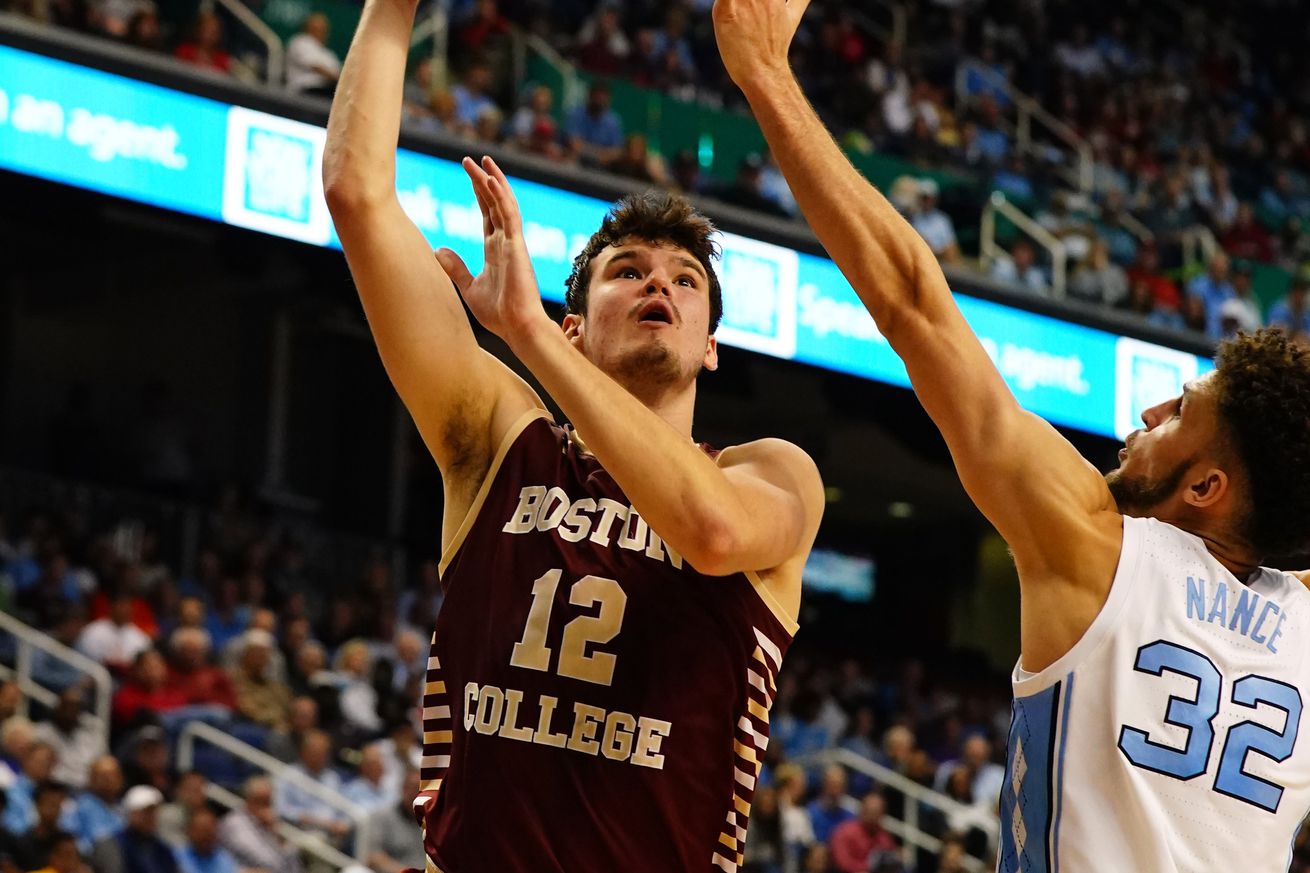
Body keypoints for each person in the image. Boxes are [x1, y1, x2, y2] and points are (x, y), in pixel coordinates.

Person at [714, 1, 1310, 869]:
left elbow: (913, 301)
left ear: (1206, 488)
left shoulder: (1095, 545)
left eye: (1178, 414)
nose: (1146, 416)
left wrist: (765, 76)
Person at [322, 0, 825, 867]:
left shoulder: (774, 473)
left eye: (683, 279)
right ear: (576, 329)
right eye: (626, 272)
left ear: (709, 346)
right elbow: (357, 194)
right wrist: (392, 9)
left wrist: (526, 339)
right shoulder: (500, 440)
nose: (655, 285)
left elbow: (709, 531)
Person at [217, 777, 301, 873]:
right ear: (248, 801)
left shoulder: (269, 824)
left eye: (268, 802)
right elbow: (267, 862)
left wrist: (280, 838)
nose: (266, 807)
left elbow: (295, 868)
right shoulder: (234, 823)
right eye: (260, 802)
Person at [364, 769, 425, 873]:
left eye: (421, 791)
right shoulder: (381, 817)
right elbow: (374, 858)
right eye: (414, 788)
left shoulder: (431, 822)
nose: (417, 794)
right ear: (403, 789)